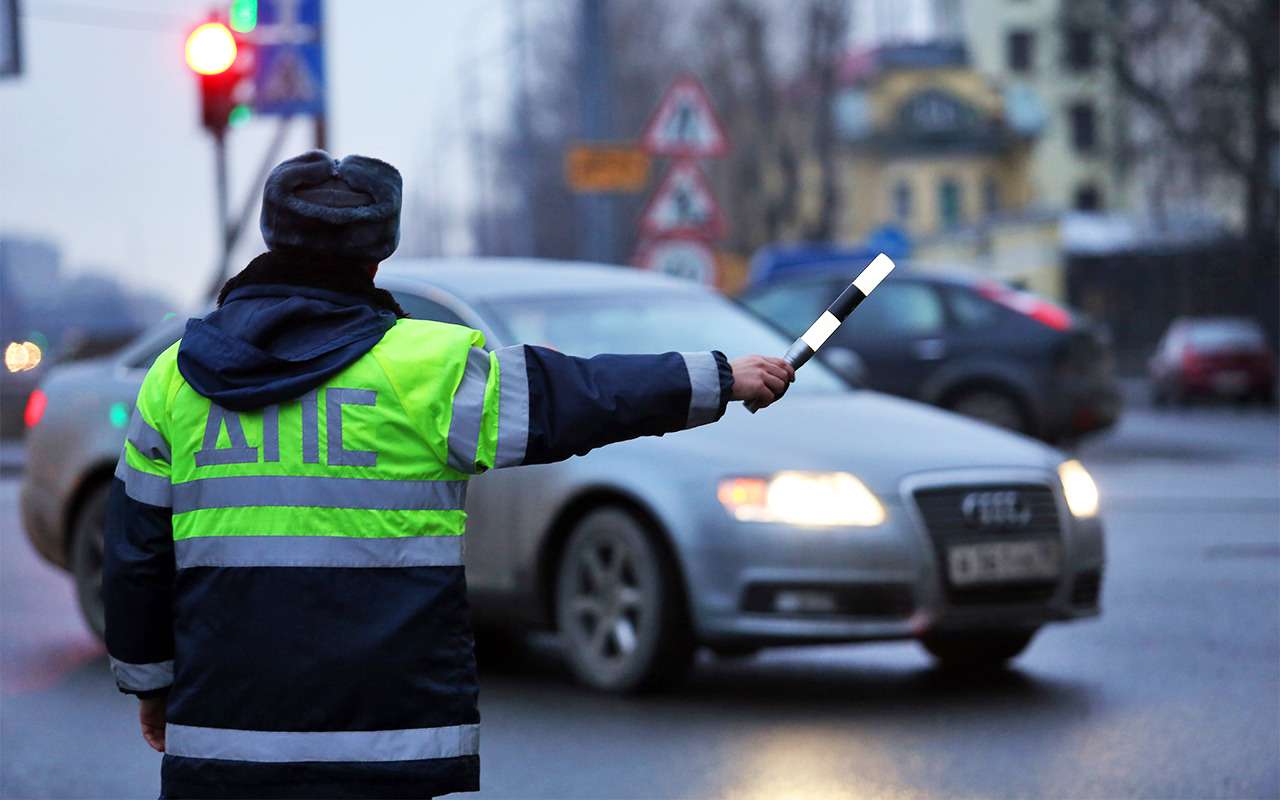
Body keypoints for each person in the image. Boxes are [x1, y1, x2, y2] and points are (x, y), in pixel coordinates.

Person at [103, 150, 794, 799]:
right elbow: (575, 396)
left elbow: (135, 559)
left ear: (271, 239)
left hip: (225, 743)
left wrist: (152, 685)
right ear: (378, 254)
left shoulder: (174, 382)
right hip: (386, 742)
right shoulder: (428, 369)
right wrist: (715, 376)